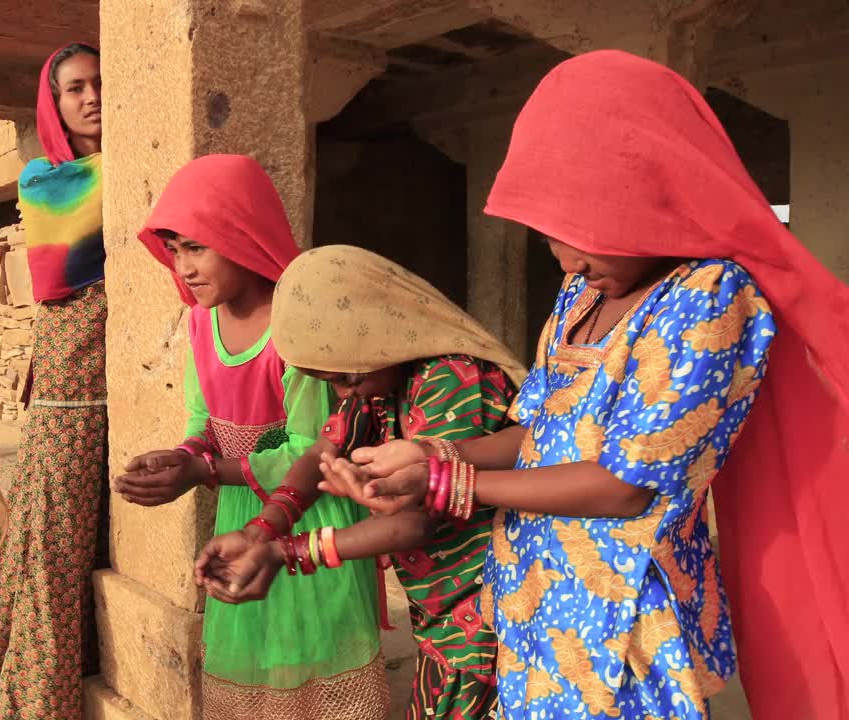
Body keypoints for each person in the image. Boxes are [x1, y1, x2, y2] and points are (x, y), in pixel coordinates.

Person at [318, 50, 849, 720]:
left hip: (625, 623)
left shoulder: (707, 300)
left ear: (643, 192)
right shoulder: (580, 294)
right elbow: (545, 434)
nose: (567, 258)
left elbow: (625, 486)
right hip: (538, 599)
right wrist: (436, 455)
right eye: (549, 237)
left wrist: (449, 485)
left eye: (579, 231)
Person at [194, 244, 525, 720]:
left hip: (485, 608)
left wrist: (287, 551)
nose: (343, 393)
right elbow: (320, 452)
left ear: (387, 333)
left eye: (346, 377)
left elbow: (414, 524)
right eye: (328, 380)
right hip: (441, 610)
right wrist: (262, 528)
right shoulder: (370, 383)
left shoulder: (452, 378)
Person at [113, 156, 389, 720]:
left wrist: (206, 472)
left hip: (310, 509)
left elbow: (313, 449)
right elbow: (203, 415)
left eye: (197, 247)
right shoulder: (198, 322)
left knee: (313, 653)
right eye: (174, 250)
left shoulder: (294, 328)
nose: (183, 268)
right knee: (258, 655)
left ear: (240, 236)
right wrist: (185, 453)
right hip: (242, 511)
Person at [0, 42, 107, 720]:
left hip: (129, 379)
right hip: (71, 391)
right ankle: (36, 701)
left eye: (101, 84)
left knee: (102, 540)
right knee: (52, 547)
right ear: (55, 103)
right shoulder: (48, 179)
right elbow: (66, 274)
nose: (91, 97)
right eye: (75, 89)